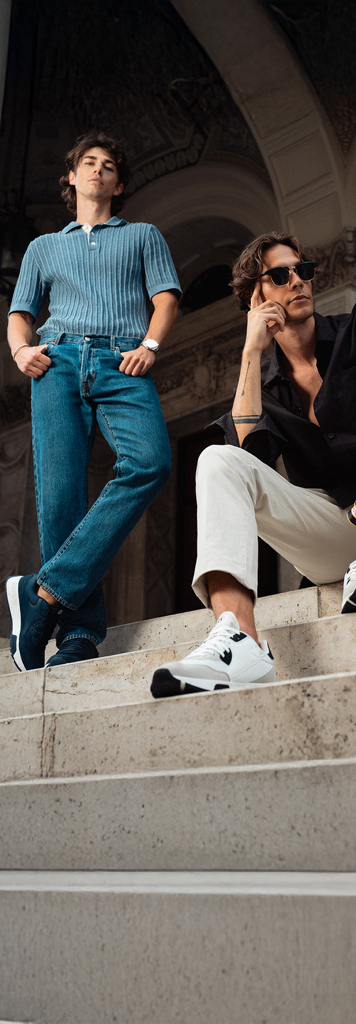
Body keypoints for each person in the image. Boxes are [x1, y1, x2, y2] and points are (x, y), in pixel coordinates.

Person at [150, 231, 356, 699]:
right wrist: (250, 352)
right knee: (217, 460)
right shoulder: (267, 383)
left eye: (304, 270)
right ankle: (240, 640)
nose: (298, 281)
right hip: (341, 532)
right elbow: (245, 455)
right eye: (281, 275)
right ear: (257, 296)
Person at [6, 131, 180, 670]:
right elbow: (21, 312)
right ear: (72, 177)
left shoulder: (144, 235)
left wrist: (150, 345)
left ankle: (43, 592)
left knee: (150, 461)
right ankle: (78, 634)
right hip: (56, 362)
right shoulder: (43, 247)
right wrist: (19, 351)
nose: (98, 171)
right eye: (88, 162)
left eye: (108, 165)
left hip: (121, 359)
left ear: (119, 182)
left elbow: (166, 297)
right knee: (60, 496)